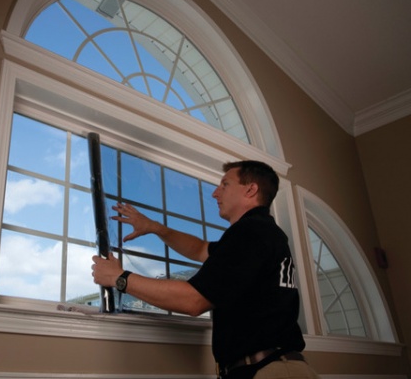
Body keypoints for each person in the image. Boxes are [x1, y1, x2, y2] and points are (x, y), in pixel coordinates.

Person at [92, 160, 318, 379]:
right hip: (270, 367)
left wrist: (119, 278)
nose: (215, 193)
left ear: (250, 190)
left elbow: (193, 301)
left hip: (271, 371)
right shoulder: (261, 234)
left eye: (225, 184)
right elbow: (200, 249)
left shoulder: (251, 232)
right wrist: (155, 228)